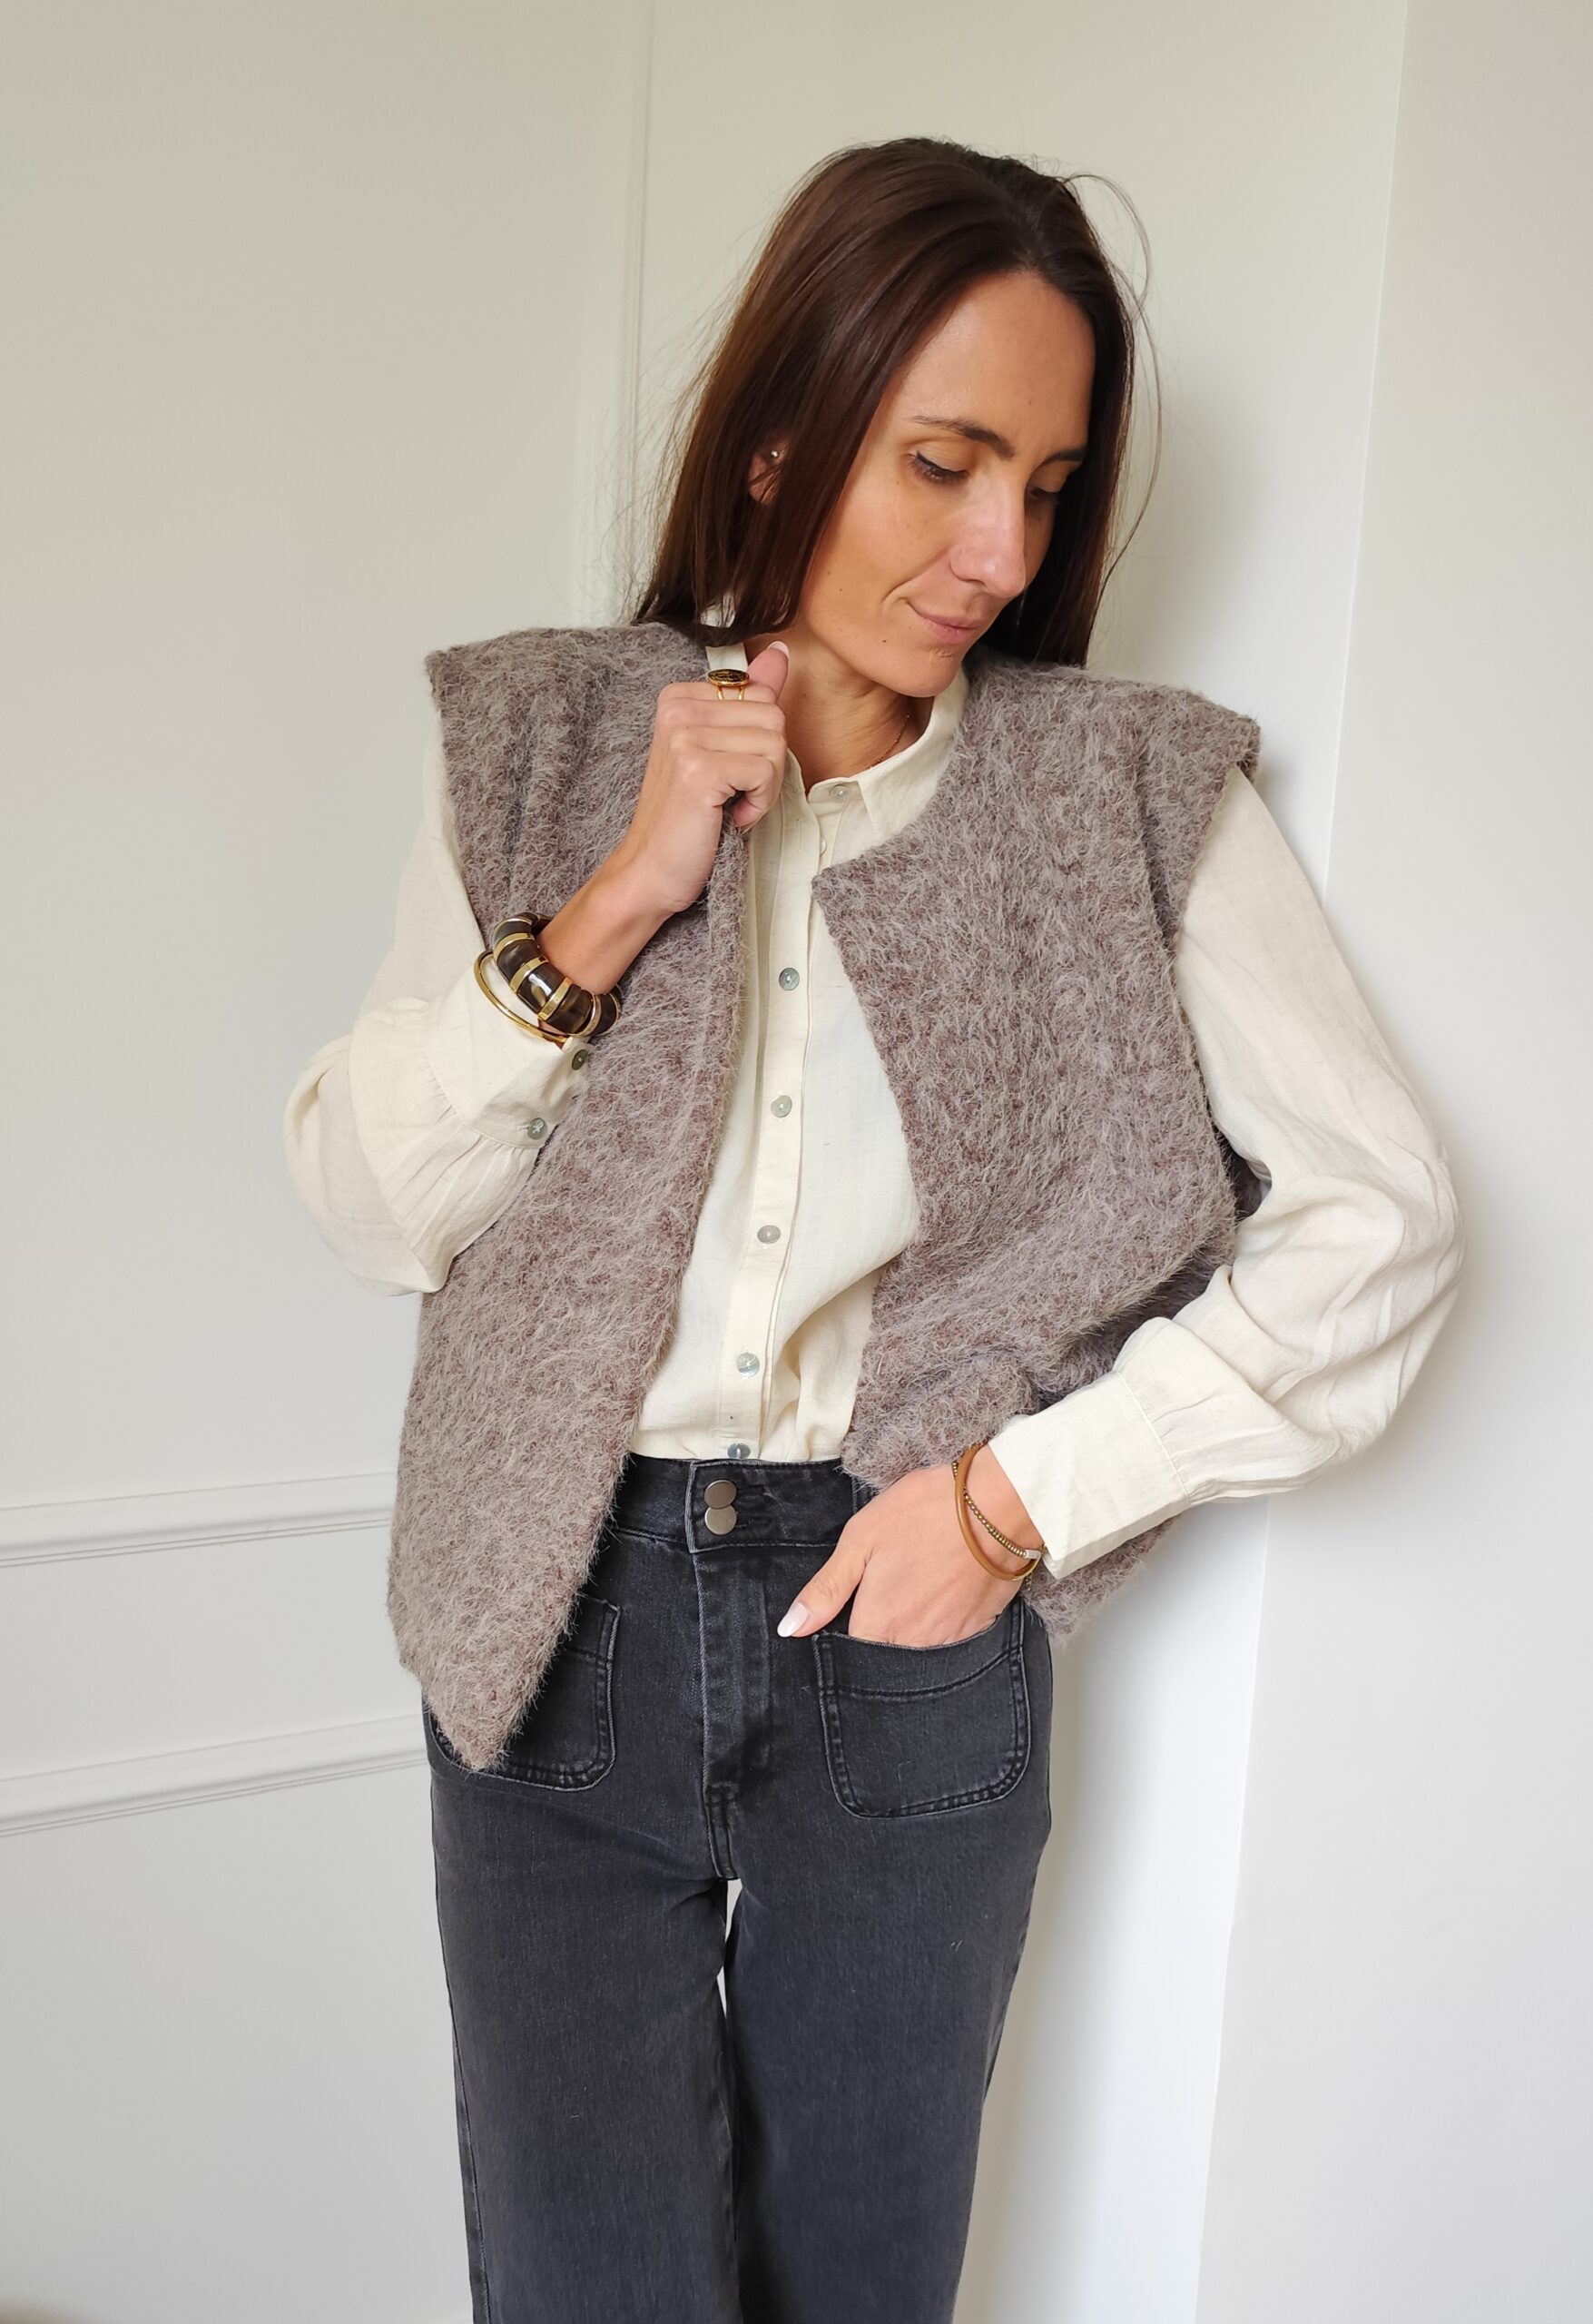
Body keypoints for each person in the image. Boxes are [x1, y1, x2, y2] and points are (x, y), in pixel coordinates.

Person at [283, 136, 1463, 2324]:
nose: (999, 550)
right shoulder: (539, 739)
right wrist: (620, 894)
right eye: (941, 462)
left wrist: (1012, 1504)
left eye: (1046, 482)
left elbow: (1377, 1220)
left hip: (904, 1597)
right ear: (777, 435)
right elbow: (370, 1205)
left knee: (856, 2284)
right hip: (550, 1602)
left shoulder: (1126, 791)